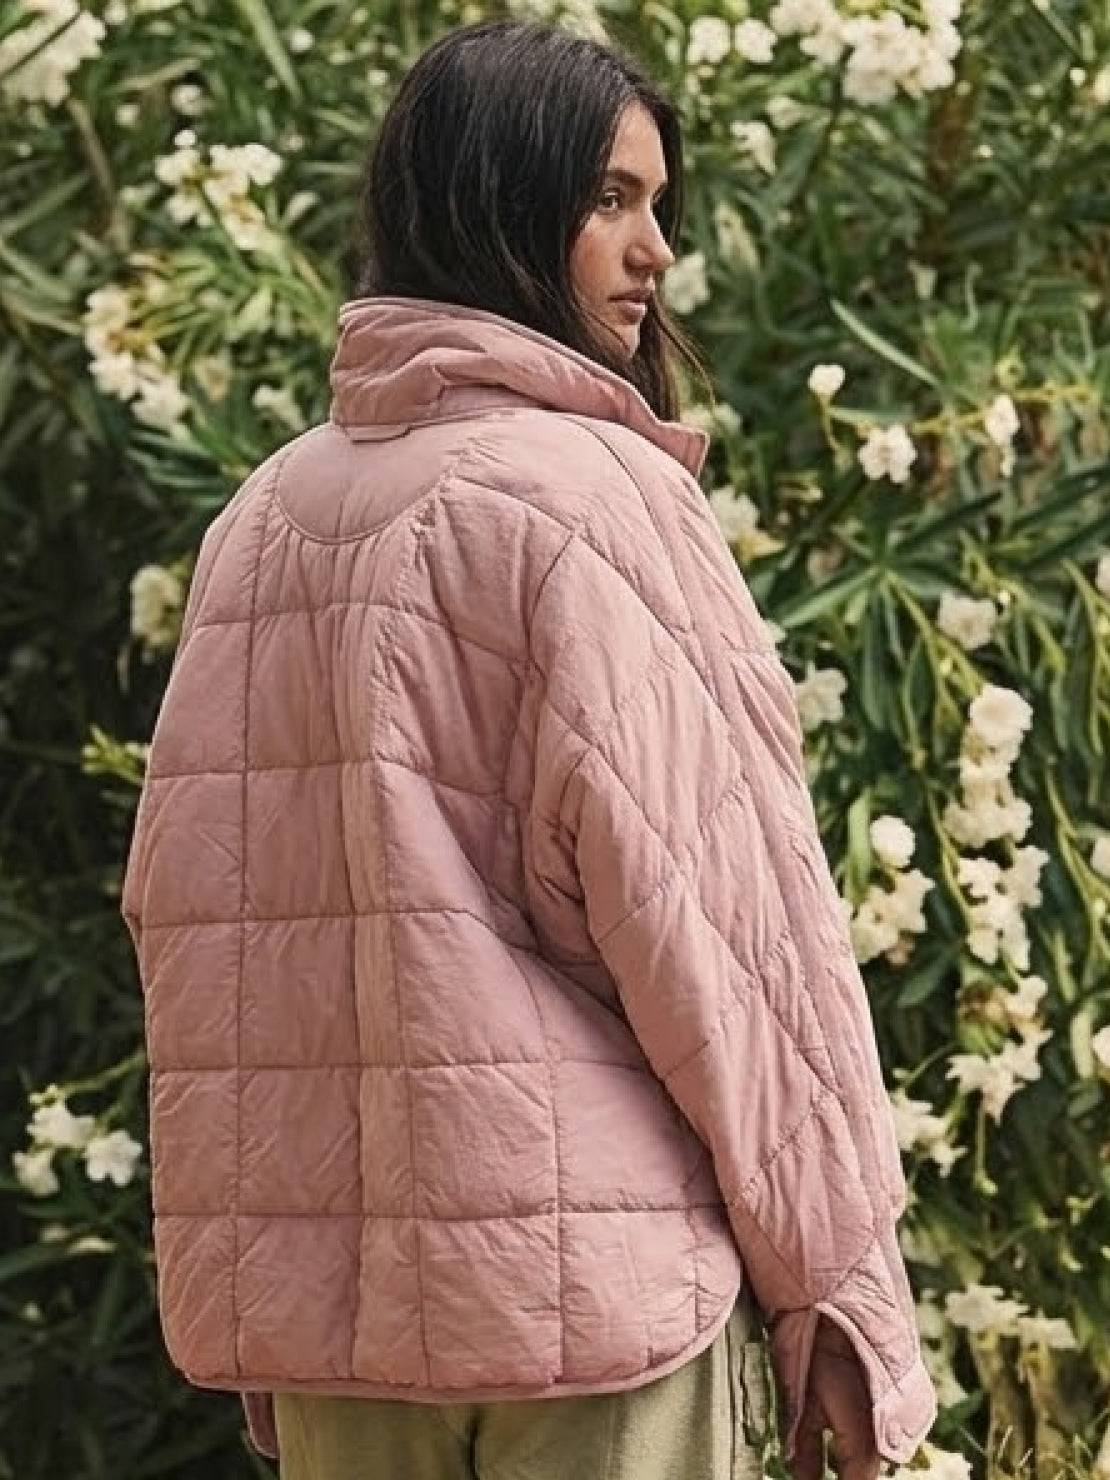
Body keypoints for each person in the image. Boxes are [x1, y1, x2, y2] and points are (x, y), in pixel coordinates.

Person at [120, 17, 937, 1480]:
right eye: (609, 199)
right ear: (495, 200)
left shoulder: (262, 521)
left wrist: (278, 1292)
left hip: (346, 1345)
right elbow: (727, 936)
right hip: (600, 1323)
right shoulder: (590, 500)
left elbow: (199, 935)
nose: (655, 251)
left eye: (657, 204)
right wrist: (838, 1288)